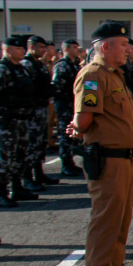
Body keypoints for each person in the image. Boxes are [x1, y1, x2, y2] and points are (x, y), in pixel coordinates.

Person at [67, 20, 133, 266]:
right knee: (105, 220)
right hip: (107, 158)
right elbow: (84, 119)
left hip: (124, 158)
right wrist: (77, 125)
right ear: (106, 46)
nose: (129, 49)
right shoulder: (93, 75)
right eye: (123, 45)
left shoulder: (115, 74)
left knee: (121, 218)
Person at [0, 37, 37, 207]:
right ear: (8, 50)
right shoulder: (1, 70)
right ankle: (0, 193)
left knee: (21, 156)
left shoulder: (21, 69)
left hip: (22, 120)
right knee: (5, 158)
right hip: (8, 121)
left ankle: (17, 188)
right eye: (18, 49)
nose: (22, 51)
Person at [21, 35, 59, 192]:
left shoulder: (39, 64)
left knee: (40, 144)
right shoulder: (26, 65)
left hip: (41, 108)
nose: (44, 50)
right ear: (32, 47)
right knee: (30, 145)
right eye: (41, 47)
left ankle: (38, 173)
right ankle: (27, 178)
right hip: (31, 111)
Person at [52, 39, 83, 177]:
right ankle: (66, 164)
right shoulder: (62, 65)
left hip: (74, 104)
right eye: (74, 47)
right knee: (66, 134)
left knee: (72, 135)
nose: (78, 49)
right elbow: (57, 86)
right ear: (66, 49)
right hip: (65, 104)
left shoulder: (74, 65)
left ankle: (70, 162)